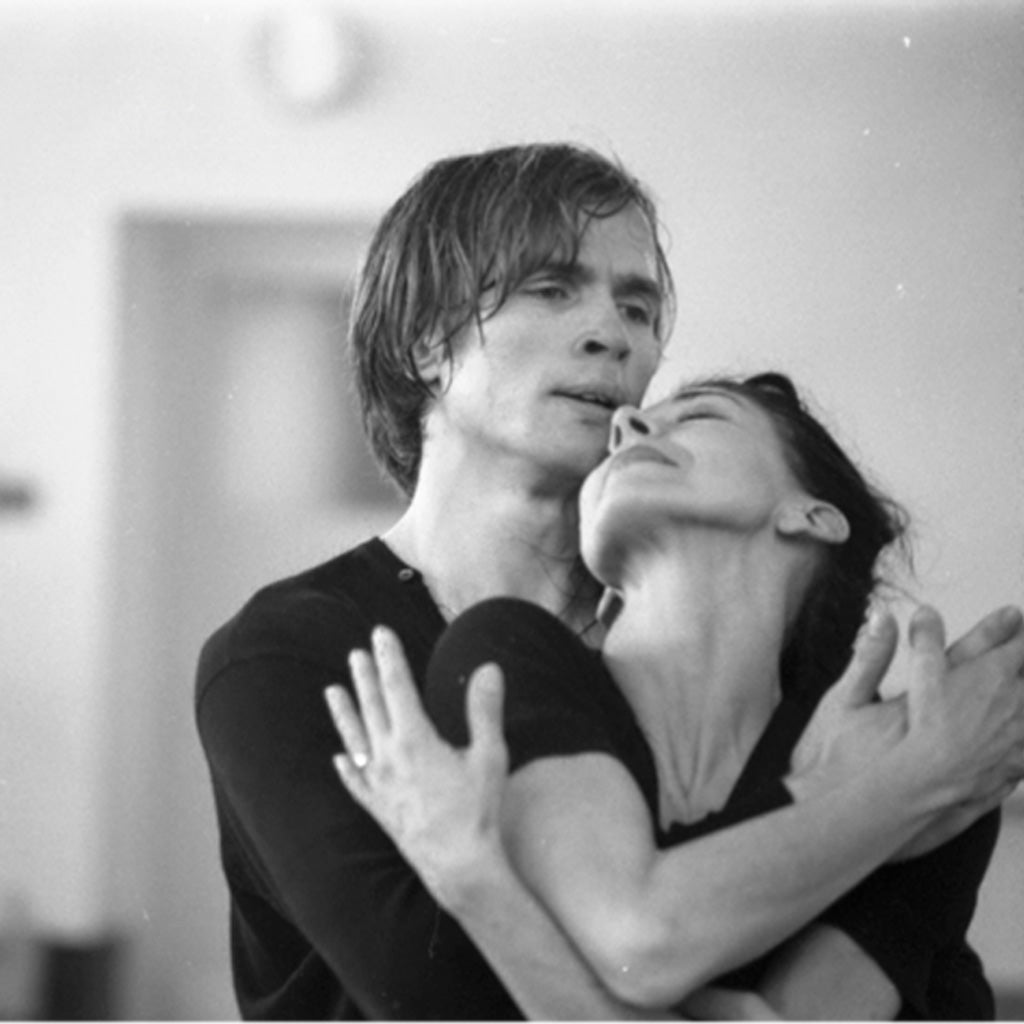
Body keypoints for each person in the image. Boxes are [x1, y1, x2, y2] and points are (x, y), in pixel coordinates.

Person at [195, 142, 1022, 1020]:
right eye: (552, 290)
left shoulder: (747, 664)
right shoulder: (294, 649)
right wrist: (863, 805)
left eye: (637, 305)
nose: (613, 334)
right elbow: (442, 996)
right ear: (427, 343)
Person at [328, 372, 1024, 1018]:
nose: (626, 423)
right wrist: (914, 784)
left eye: (697, 416)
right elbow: (640, 941)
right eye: (625, 431)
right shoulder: (507, 654)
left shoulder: (916, 744)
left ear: (812, 515)